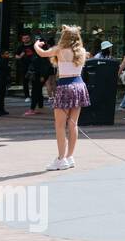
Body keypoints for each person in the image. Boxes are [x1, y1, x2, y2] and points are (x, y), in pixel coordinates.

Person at [33, 26, 91, 170]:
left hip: (65, 86)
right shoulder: (82, 52)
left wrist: (36, 44)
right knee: (73, 124)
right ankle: (70, 157)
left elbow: (42, 53)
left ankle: (61, 159)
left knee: (60, 126)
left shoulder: (59, 49)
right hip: (79, 85)